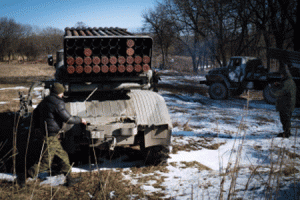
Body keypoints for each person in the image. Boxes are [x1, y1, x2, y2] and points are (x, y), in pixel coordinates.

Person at [17, 82, 87, 187]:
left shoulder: (46, 100)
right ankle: (23, 176)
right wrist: (80, 120)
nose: (63, 94)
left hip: (48, 133)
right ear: (60, 92)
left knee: (63, 156)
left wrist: (36, 127)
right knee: (45, 163)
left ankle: (69, 179)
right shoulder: (58, 103)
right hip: (50, 135)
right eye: (62, 92)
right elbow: (68, 119)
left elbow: (35, 113)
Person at [272, 66, 296, 138]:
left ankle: (286, 133)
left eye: (281, 74)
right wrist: (279, 84)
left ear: (284, 74)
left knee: (285, 118)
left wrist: (272, 88)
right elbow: (285, 89)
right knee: (286, 118)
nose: (281, 75)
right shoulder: (289, 81)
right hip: (288, 104)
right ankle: (287, 132)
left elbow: (279, 92)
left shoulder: (287, 82)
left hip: (285, 104)